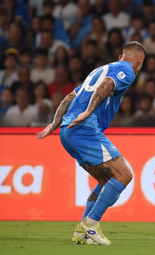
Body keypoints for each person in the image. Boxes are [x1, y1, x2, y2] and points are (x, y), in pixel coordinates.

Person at [36, 41, 145, 246]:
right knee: (124, 175)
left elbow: (70, 96)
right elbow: (108, 85)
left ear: (121, 55)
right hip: (85, 129)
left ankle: (83, 233)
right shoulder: (127, 69)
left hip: (67, 132)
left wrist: (54, 123)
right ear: (140, 61)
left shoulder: (99, 70)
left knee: (105, 181)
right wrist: (88, 112)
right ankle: (91, 225)